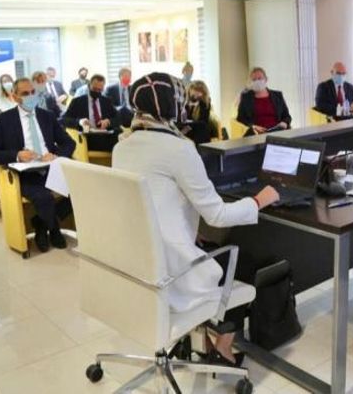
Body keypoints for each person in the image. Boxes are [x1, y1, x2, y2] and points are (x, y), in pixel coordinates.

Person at [113, 72, 280, 365]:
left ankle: (207, 334)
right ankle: (223, 345)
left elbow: (151, 201)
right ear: (173, 106)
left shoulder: (122, 146)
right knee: (245, 260)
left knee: (215, 248)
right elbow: (217, 215)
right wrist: (258, 201)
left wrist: (186, 228)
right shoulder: (179, 148)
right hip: (173, 271)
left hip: (139, 263)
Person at [0, 78, 76, 252]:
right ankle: (54, 230)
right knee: (44, 197)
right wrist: (17, 155)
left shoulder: (47, 116)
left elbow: (69, 143)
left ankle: (40, 224)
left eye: (33, 92)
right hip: (25, 173)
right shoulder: (3, 120)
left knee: (81, 188)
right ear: (14, 97)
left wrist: (56, 155)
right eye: (25, 93)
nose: (30, 96)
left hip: (52, 168)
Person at [236, 67, 291, 136]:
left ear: (266, 79)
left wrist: (284, 123)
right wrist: (253, 126)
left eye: (259, 78)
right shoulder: (246, 97)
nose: (257, 81)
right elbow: (240, 118)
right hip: (256, 134)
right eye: (254, 79)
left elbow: (287, 116)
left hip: (278, 132)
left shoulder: (277, 95)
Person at [182, 80, 219, 144]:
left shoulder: (205, 102)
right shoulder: (184, 100)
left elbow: (203, 120)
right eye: (195, 90)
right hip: (186, 127)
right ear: (190, 90)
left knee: (202, 128)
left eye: (199, 92)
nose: (197, 94)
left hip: (197, 128)